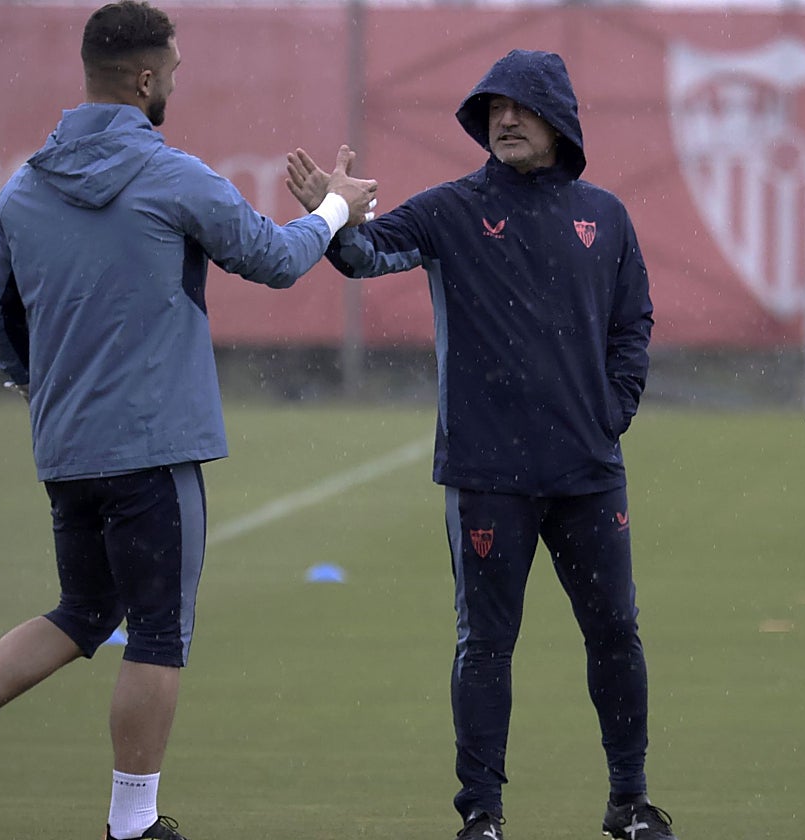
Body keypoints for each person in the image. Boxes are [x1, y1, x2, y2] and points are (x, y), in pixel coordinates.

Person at [0, 3, 377, 840]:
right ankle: (132, 825)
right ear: (147, 79)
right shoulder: (172, 175)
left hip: (69, 449)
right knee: (158, 631)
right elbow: (273, 259)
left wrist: (40, 386)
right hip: (154, 450)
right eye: (176, 71)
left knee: (85, 610)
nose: (179, 84)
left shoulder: (25, 185)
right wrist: (336, 208)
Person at [285, 49, 677, 840]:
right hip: (487, 473)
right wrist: (331, 216)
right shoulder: (453, 209)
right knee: (487, 645)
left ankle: (629, 801)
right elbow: (366, 255)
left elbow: (633, 321)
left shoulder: (606, 215)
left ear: (559, 120)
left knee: (615, 635)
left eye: (522, 107)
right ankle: (483, 817)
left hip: (588, 473)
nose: (504, 119)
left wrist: (614, 409)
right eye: (494, 107)